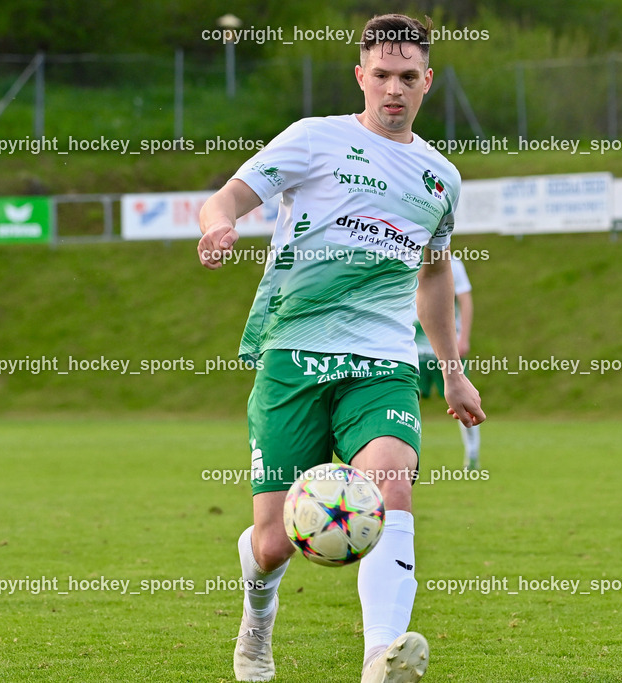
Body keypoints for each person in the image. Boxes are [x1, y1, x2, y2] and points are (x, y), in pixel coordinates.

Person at [197, 14, 486, 682]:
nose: (394, 89)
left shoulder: (440, 178)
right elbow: (227, 198)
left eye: (408, 76)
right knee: (274, 543)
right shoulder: (314, 139)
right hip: (292, 355)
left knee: (391, 485)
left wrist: (452, 371)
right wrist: (218, 227)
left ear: (428, 81)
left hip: (382, 363)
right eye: (382, 75)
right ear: (361, 76)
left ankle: (380, 657)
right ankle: (258, 617)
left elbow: (434, 275)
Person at [414, 254, 481, 469]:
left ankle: (472, 456)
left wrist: (464, 338)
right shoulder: (402, 255)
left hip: (446, 348)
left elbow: (465, 299)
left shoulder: (452, 263)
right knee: (405, 401)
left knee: (464, 401)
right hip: (412, 348)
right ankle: (403, 458)